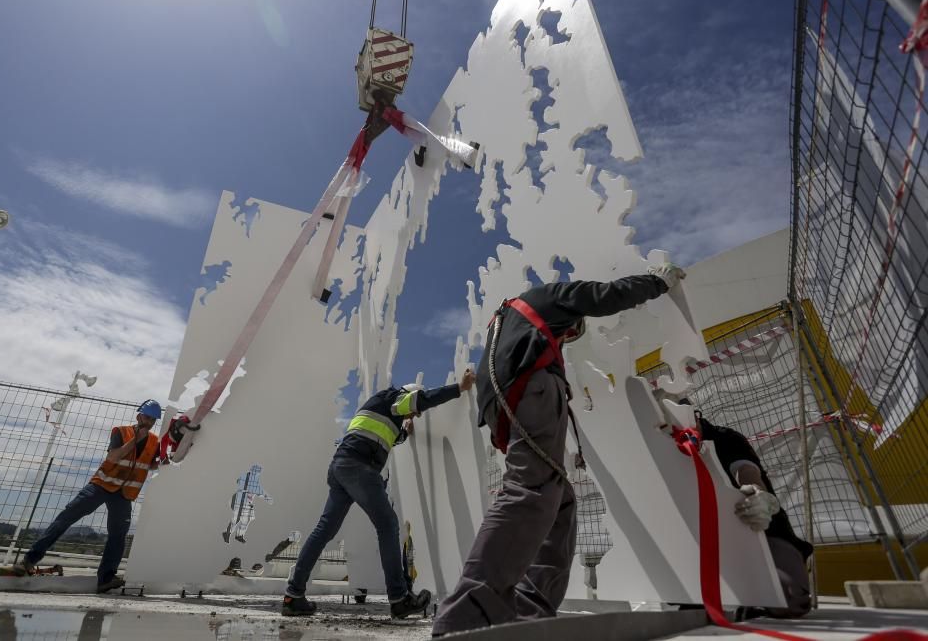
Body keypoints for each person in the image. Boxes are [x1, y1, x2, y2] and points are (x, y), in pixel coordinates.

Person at [432, 264, 685, 637]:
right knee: (529, 490)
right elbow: (606, 296)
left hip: (503, 400)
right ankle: (468, 614)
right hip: (529, 389)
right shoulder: (551, 298)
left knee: (560, 500)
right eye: (570, 330)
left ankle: (530, 608)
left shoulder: (506, 324)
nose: (567, 336)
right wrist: (657, 281)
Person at [283, 370, 477, 620]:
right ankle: (400, 599)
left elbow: (387, 435)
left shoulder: (380, 405)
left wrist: (405, 430)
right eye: (411, 411)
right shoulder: (396, 396)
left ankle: (293, 596)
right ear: (408, 395)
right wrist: (458, 388)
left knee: (324, 530)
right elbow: (421, 400)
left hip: (341, 466)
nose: (412, 414)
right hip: (360, 468)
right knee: (388, 525)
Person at [679, 398, 813, 618]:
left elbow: (746, 471)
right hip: (708, 543)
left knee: (788, 599)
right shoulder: (666, 448)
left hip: (761, 532)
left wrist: (758, 494)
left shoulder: (726, 438)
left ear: (695, 415)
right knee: (693, 606)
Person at [19, 399, 162, 593]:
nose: (149, 422)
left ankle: (106, 578)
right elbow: (113, 457)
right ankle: (30, 559)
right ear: (139, 416)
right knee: (67, 517)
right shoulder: (120, 432)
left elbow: (151, 464)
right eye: (146, 417)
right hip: (101, 485)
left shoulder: (155, 442)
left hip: (124, 493)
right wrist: (135, 439)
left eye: (153, 419)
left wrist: (166, 460)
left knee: (118, 535)